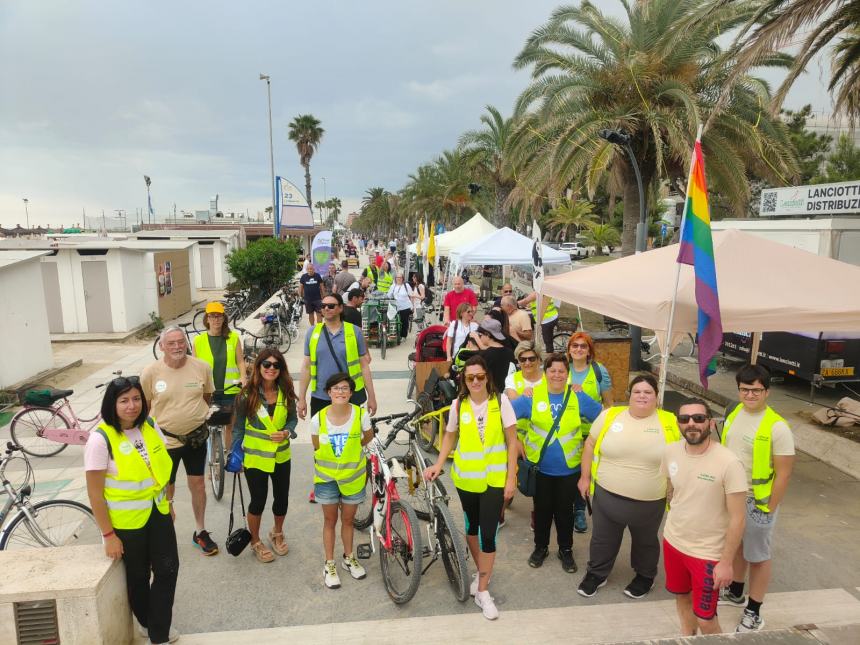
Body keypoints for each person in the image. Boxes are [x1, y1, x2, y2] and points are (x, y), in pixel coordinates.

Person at [85, 376, 179, 645]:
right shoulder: (100, 439)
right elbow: (94, 493)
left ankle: (158, 633)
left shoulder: (149, 425)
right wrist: (108, 535)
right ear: (111, 404)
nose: (132, 406)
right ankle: (148, 624)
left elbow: (162, 469)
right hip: (126, 523)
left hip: (158, 512)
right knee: (138, 577)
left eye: (136, 399)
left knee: (168, 569)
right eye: (124, 400)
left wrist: (169, 503)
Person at [424, 356, 518, 620]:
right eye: (470, 377)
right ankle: (482, 572)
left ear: (487, 376)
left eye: (479, 376)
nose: (475, 381)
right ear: (464, 381)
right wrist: (438, 464)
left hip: (494, 481)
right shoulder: (458, 405)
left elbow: (512, 442)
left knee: (489, 535)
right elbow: (449, 436)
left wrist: (511, 478)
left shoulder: (501, 403)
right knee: (471, 529)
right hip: (466, 479)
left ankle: (483, 591)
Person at [576, 374, 680, 599]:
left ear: (656, 397)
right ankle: (596, 573)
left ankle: (645, 576)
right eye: (637, 391)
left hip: (650, 501)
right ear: (629, 395)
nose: (642, 396)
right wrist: (584, 478)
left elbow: (685, 455)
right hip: (606, 496)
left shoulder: (670, 421)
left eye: (648, 392)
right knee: (602, 538)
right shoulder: (610, 416)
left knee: (645, 541)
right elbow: (590, 444)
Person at [718, 364, 795, 633]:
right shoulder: (735, 412)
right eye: (745, 389)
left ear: (767, 392)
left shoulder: (778, 427)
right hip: (733, 496)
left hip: (758, 502)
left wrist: (769, 508)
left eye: (756, 390)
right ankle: (736, 591)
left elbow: (784, 475)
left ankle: (754, 611)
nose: (750, 395)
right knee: (737, 546)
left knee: (758, 557)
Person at [510, 354, 602, 573]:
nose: (557, 375)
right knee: (541, 511)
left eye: (562, 371)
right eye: (553, 371)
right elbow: (506, 418)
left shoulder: (577, 396)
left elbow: (602, 418)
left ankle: (566, 550)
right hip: (540, 468)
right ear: (545, 373)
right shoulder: (532, 396)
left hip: (569, 469)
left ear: (567, 374)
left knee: (565, 512)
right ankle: (540, 548)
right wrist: (516, 441)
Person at [663, 399, 746, 636]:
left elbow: (738, 518)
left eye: (698, 418)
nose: (691, 424)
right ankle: (687, 637)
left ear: (710, 422)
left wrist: (726, 562)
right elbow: (671, 487)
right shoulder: (671, 451)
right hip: (673, 542)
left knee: (706, 619)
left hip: (707, 553)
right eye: (684, 419)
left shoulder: (729, 463)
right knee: (682, 598)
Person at [141, 326, 218, 556]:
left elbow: (206, 396)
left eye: (180, 341)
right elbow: (144, 407)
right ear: (161, 346)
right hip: (165, 442)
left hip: (195, 437)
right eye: (171, 343)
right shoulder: (150, 373)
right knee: (167, 488)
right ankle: (166, 532)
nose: (177, 347)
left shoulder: (201, 367)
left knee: (198, 484)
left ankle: (200, 531)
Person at [229, 349, 297, 563]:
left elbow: (293, 420)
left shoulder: (286, 392)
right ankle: (255, 541)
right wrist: (235, 455)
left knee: (281, 498)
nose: (271, 369)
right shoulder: (246, 395)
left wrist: (287, 432)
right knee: (257, 501)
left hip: (280, 457)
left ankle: (277, 532)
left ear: (281, 370)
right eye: (266, 364)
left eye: (276, 365)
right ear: (258, 367)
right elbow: (238, 428)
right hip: (255, 458)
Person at [312, 373, 374, 589]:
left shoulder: (360, 414)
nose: (340, 392)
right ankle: (329, 564)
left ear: (351, 393)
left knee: (348, 521)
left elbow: (368, 437)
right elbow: (316, 446)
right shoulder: (317, 419)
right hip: (327, 479)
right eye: (336, 388)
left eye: (345, 388)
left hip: (352, 479)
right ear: (328, 392)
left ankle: (349, 558)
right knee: (330, 521)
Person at [298, 292, 378, 420]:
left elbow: (364, 367)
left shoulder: (355, 331)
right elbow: (306, 367)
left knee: (351, 437)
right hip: (321, 396)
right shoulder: (312, 333)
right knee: (321, 437)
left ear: (341, 308)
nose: (326, 309)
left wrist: (372, 398)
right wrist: (301, 399)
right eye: (323, 306)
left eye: (331, 306)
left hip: (348, 395)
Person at [566, 331, 614, 533]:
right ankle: (563, 507)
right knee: (565, 470)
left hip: (589, 434)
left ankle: (579, 510)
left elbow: (609, 405)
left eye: (583, 346)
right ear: (569, 349)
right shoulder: (561, 369)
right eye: (575, 346)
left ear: (589, 351)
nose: (578, 349)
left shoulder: (598, 371)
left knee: (582, 472)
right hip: (565, 431)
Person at [192, 301, 245, 448]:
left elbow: (240, 361)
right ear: (207, 319)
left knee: (231, 426)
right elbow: (194, 367)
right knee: (210, 426)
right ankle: (214, 461)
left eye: (219, 316)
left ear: (224, 318)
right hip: (209, 392)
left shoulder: (233, 337)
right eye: (212, 316)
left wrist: (243, 378)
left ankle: (230, 456)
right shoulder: (198, 341)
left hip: (230, 390)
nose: (216, 319)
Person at [471, 318, 517, 395]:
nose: (480, 337)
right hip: (508, 394)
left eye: (480, 335)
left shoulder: (484, 355)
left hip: (490, 395)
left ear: (488, 334)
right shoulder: (510, 352)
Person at [388, 272, 414, 340]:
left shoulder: (406, 285)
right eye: (397, 278)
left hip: (405, 306)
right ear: (395, 279)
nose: (398, 279)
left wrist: (412, 306)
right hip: (395, 307)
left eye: (400, 278)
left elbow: (411, 296)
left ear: (403, 279)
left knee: (404, 321)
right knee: (394, 320)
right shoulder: (393, 286)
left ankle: (403, 336)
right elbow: (389, 295)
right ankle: (395, 333)